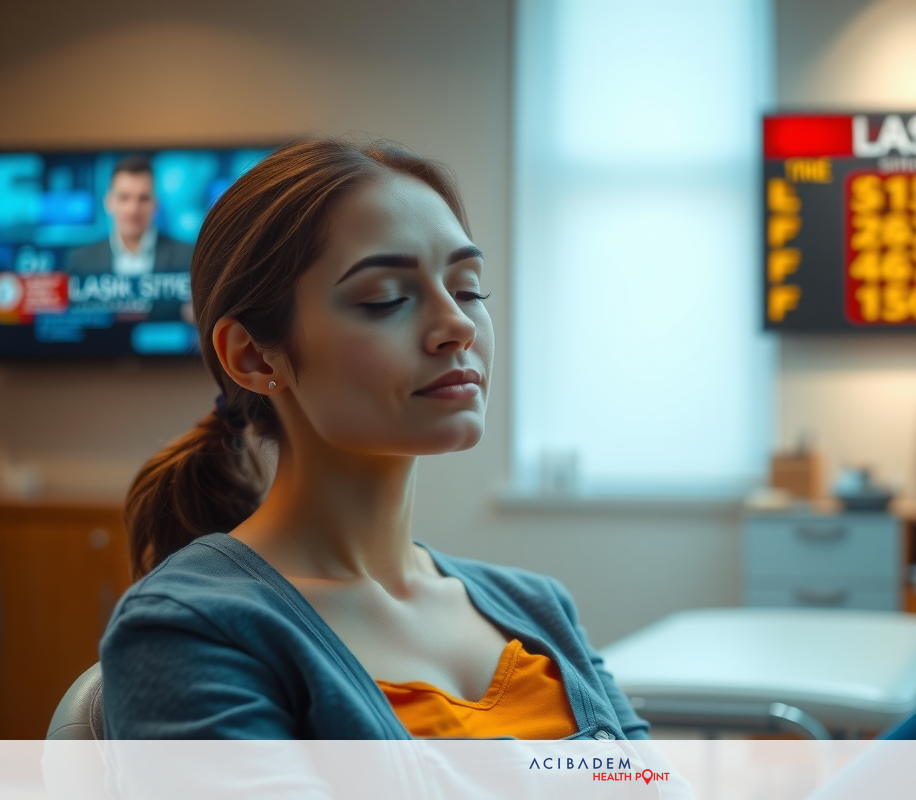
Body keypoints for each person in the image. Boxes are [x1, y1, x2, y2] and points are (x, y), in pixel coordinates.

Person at [100, 138, 648, 740]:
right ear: (255, 356)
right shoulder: (192, 627)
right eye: (385, 298)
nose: (458, 325)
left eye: (468, 289)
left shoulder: (540, 607)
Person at [66, 154, 193, 275]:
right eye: (124, 198)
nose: (133, 209)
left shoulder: (188, 257)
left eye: (143, 199)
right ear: (108, 203)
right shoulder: (81, 262)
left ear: (155, 205)